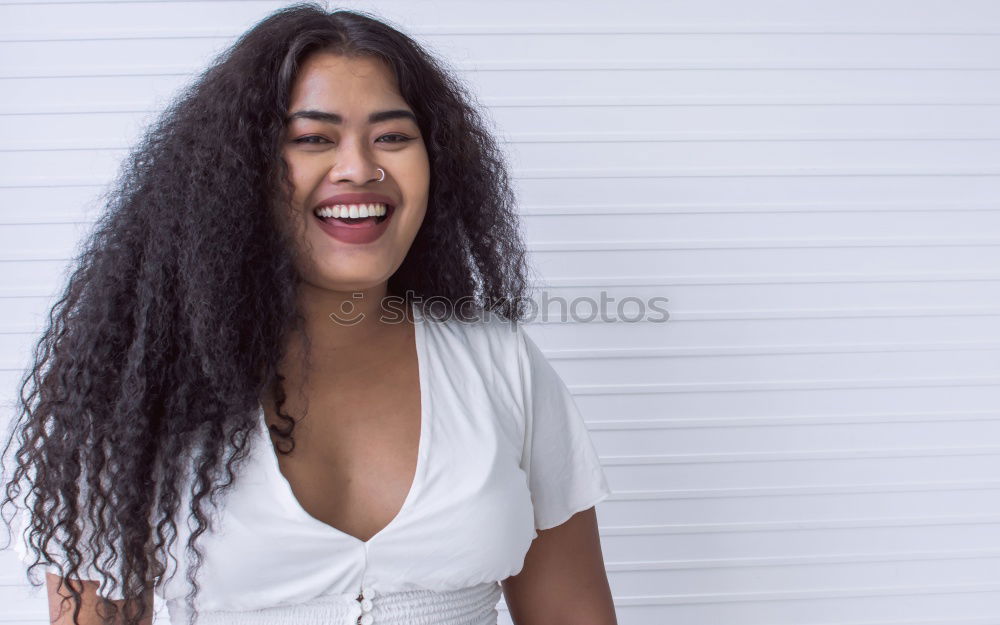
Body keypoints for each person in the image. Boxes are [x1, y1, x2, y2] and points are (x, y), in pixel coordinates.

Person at [0, 4, 616, 625]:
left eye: (393, 137)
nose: (360, 168)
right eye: (312, 139)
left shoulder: (499, 364)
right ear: (236, 175)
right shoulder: (135, 389)